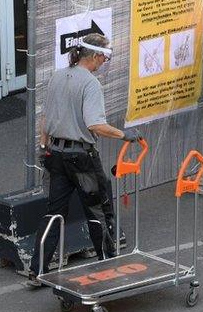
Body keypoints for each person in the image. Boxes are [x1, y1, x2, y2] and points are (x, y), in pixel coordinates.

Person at [24, 34, 142, 289]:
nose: (105, 62)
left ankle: (37, 271)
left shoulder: (57, 76)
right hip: (81, 157)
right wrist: (125, 136)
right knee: (98, 211)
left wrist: (44, 147)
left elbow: (45, 118)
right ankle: (109, 266)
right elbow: (95, 125)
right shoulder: (90, 84)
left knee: (54, 213)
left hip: (55, 154)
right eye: (106, 57)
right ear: (96, 56)